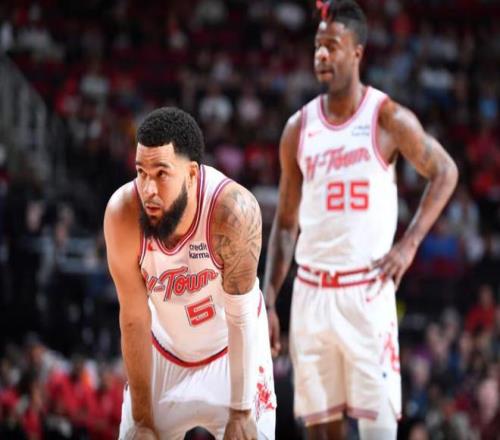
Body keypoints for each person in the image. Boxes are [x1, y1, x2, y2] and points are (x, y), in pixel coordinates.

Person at [263, 1, 458, 439]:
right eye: (318, 46)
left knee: (380, 430)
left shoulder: (386, 117)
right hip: (311, 294)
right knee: (320, 431)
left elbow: (445, 171)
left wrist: (408, 245)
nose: (321, 54)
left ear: (357, 52)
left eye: (332, 45)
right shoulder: (298, 128)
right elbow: (286, 223)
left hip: (366, 292)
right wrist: (269, 299)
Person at [103, 107, 276, 440]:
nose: (148, 189)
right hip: (164, 354)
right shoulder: (122, 214)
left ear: (192, 174)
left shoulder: (233, 212)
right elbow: (134, 319)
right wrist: (142, 420)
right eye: (141, 172)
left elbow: (241, 316)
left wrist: (241, 411)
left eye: (161, 173)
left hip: (231, 353)